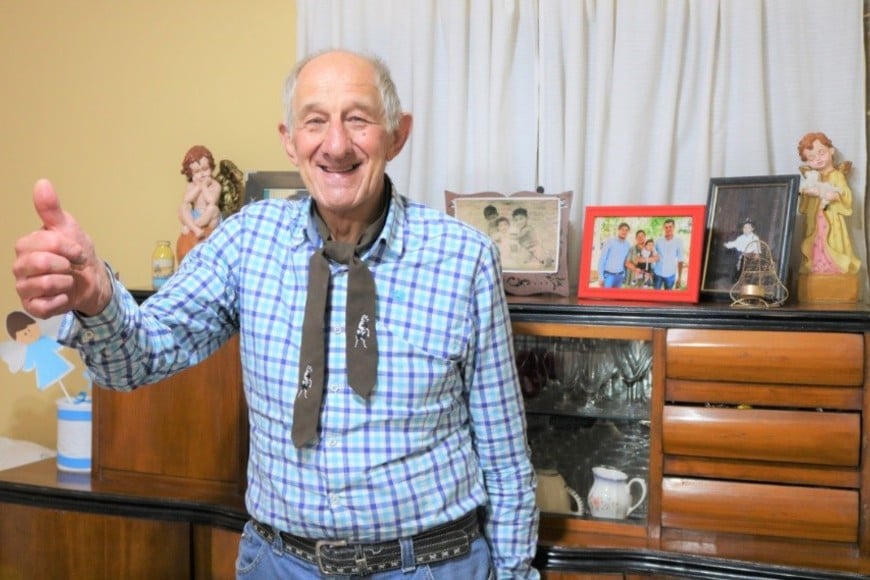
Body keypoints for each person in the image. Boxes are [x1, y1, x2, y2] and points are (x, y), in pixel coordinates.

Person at [11, 49, 539, 579]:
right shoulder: (246, 241)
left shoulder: (465, 258)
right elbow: (137, 359)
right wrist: (97, 298)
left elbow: (505, 456)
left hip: (431, 566)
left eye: (358, 119)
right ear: (289, 140)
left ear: (397, 135)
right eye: (315, 121)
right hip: (280, 566)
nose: (336, 144)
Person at [796, 132, 860, 276]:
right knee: (815, 240)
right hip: (815, 218)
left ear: (831, 151)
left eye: (821, 153)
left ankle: (834, 267)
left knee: (832, 240)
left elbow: (845, 193)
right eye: (812, 158)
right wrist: (807, 193)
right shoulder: (812, 177)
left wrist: (835, 195)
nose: (818, 159)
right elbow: (804, 200)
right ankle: (817, 266)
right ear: (807, 162)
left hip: (832, 217)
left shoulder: (836, 175)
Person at [177, 145, 223, 263]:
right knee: (183, 207)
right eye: (197, 172)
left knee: (213, 208)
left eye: (205, 169)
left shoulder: (215, 185)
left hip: (210, 220)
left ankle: (192, 226)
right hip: (196, 216)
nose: (202, 174)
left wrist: (204, 186)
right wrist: (198, 186)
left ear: (211, 168)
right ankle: (194, 228)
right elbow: (187, 199)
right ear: (191, 174)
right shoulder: (192, 186)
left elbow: (211, 201)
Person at [653, 218, 685, 290]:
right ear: (664, 228)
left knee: (667, 295)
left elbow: (680, 260)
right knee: (655, 294)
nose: (668, 229)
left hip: (670, 274)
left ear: (674, 227)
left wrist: (679, 278)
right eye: (666, 227)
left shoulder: (678, 241)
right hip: (657, 273)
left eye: (670, 227)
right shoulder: (658, 240)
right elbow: (652, 253)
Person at [597, 222, 631, 288]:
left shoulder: (628, 245)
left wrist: (624, 274)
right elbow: (602, 259)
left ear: (628, 232)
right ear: (618, 230)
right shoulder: (610, 242)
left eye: (626, 230)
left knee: (616, 295)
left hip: (620, 276)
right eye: (622, 229)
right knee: (606, 294)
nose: (624, 232)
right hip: (608, 276)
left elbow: (625, 261)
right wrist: (601, 277)